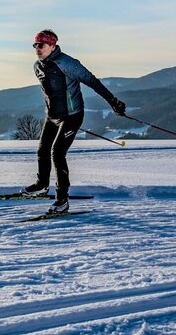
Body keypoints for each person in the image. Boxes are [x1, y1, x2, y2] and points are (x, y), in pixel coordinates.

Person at [22, 29, 127, 213]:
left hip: (72, 116)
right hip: (53, 116)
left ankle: (62, 200)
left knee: (57, 152)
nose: (37, 48)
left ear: (52, 46)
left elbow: (92, 81)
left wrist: (113, 102)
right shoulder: (37, 66)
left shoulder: (67, 63)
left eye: (41, 45)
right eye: (35, 45)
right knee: (42, 150)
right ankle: (42, 185)